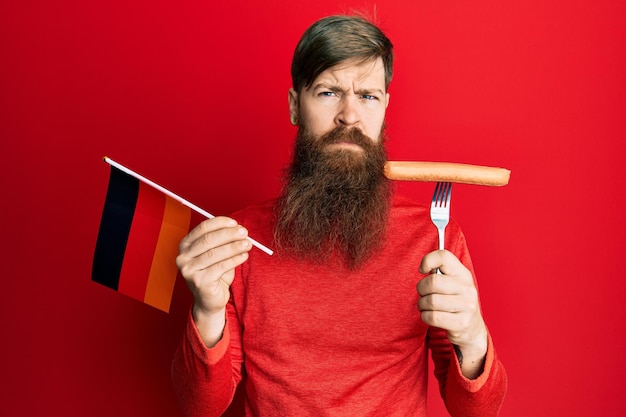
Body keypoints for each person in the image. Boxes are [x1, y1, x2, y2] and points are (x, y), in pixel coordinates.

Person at [172, 14, 507, 417]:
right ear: (295, 106)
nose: (350, 116)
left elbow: (477, 411)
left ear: (385, 106)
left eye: (367, 96)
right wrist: (206, 311)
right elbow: (199, 406)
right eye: (329, 92)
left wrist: (472, 336)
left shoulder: (433, 239)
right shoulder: (238, 242)